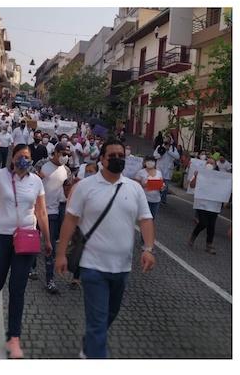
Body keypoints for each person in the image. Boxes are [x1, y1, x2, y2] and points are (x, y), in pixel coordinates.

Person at [54, 138, 154, 359]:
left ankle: (90, 343)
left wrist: (148, 248)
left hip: (122, 268)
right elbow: (70, 220)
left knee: (109, 315)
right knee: (98, 321)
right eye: (113, 156)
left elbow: (146, 219)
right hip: (92, 267)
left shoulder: (134, 188)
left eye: (121, 156)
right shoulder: (85, 187)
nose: (118, 160)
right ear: (102, 159)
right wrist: (60, 253)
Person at [0, 142, 51, 359]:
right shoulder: (0, 175)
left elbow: (41, 212)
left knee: (18, 288)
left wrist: (48, 240)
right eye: (20, 156)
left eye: (27, 156)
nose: (24, 159)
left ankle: (14, 338)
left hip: (26, 239)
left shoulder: (36, 182)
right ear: (13, 158)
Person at [36, 142, 73, 294]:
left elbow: (67, 190)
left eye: (68, 155)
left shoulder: (67, 170)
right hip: (38, 210)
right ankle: (31, 268)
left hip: (54, 213)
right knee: (34, 241)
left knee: (50, 245)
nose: (66, 157)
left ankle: (49, 279)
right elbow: (29, 178)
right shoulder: (42, 164)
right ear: (56, 152)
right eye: (63, 153)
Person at [188, 159, 222, 254]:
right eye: (208, 162)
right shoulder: (200, 173)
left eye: (212, 163)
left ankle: (209, 245)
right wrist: (195, 176)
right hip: (201, 203)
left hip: (214, 204)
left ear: (215, 165)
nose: (209, 164)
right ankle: (193, 236)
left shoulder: (220, 176)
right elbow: (191, 185)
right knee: (203, 223)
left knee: (211, 225)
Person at [134, 155, 164, 222]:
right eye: (148, 161)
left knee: (152, 219)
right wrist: (144, 185)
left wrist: (162, 187)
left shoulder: (159, 172)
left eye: (152, 161)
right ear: (145, 162)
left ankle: (148, 231)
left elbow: (161, 184)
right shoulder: (141, 172)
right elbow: (136, 186)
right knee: (145, 219)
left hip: (156, 200)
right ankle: (144, 232)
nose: (150, 162)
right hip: (145, 199)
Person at [152, 137, 180, 206]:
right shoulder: (160, 147)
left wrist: (168, 151)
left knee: (165, 186)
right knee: (158, 185)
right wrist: (161, 154)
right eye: (165, 141)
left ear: (170, 142)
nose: (166, 142)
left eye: (168, 141)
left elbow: (177, 157)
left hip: (168, 170)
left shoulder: (173, 149)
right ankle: (156, 199)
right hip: (160, 169)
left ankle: (163, 200)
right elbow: (155, 156)